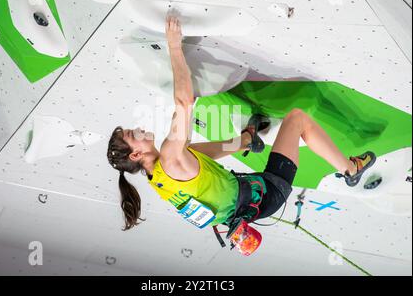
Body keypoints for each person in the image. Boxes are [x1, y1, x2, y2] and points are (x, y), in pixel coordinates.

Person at [107, 16, 376, 234]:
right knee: (297, 119)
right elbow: (184, 100)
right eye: (133, 134)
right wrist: (174, 47)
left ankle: (249, 140)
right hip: (267, 193)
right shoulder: (169, 157)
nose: (138, 129)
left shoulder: (159, 177)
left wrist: (246, 139)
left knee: (197, 149)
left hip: (248, 203)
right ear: (136, 154)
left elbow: (203, 155)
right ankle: (350, 169)